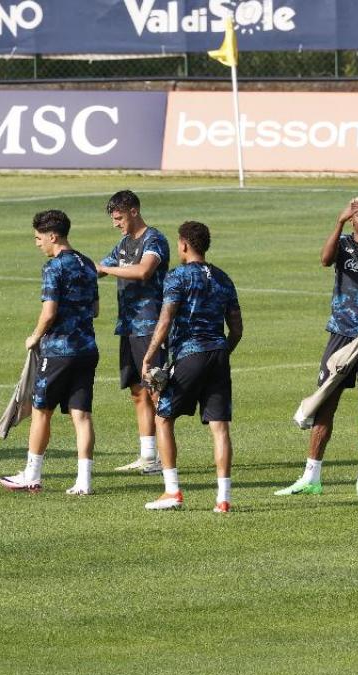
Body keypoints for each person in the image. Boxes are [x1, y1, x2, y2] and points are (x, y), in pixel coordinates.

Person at [278, 197, 358, 498]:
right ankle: (311, 477)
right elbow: (324, 260)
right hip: (340, 336)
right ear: (351, 219)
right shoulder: (345, 244)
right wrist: (337, 223)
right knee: (326, 404)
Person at [141, 221, 243, 512]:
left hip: (190, 354)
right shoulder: (223, 278)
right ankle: (223, 499)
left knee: (163, 417)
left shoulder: (178, 276)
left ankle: (172, 491)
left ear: (184, 244)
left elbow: (165, 321)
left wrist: (149, 357)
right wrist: (223, 351)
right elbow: (236, 328)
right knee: (220, 427)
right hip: (218, 354)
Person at [0, 210, 100, 495]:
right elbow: (95, 309)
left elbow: (49, 312)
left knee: (41, 410)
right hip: (87, 349)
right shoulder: (87, 264)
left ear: (52, 236)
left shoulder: (54, 268)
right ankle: (84, 481)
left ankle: (31, 474)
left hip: (58, 351)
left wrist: (34, 337)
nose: (37, 243)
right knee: (81, 415)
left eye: (38, 237)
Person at [96, 190, 169, 474]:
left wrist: (107, 269)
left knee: (156, 391)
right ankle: (148, 456)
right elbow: (101, 268)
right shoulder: (124, 244)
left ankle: (164, 457)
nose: (116, 223)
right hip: (127, 326)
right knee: (137, 392)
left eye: (119, 217)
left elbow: (143, 271)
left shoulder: (154, 240)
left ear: (134, 211)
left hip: (150, 326)